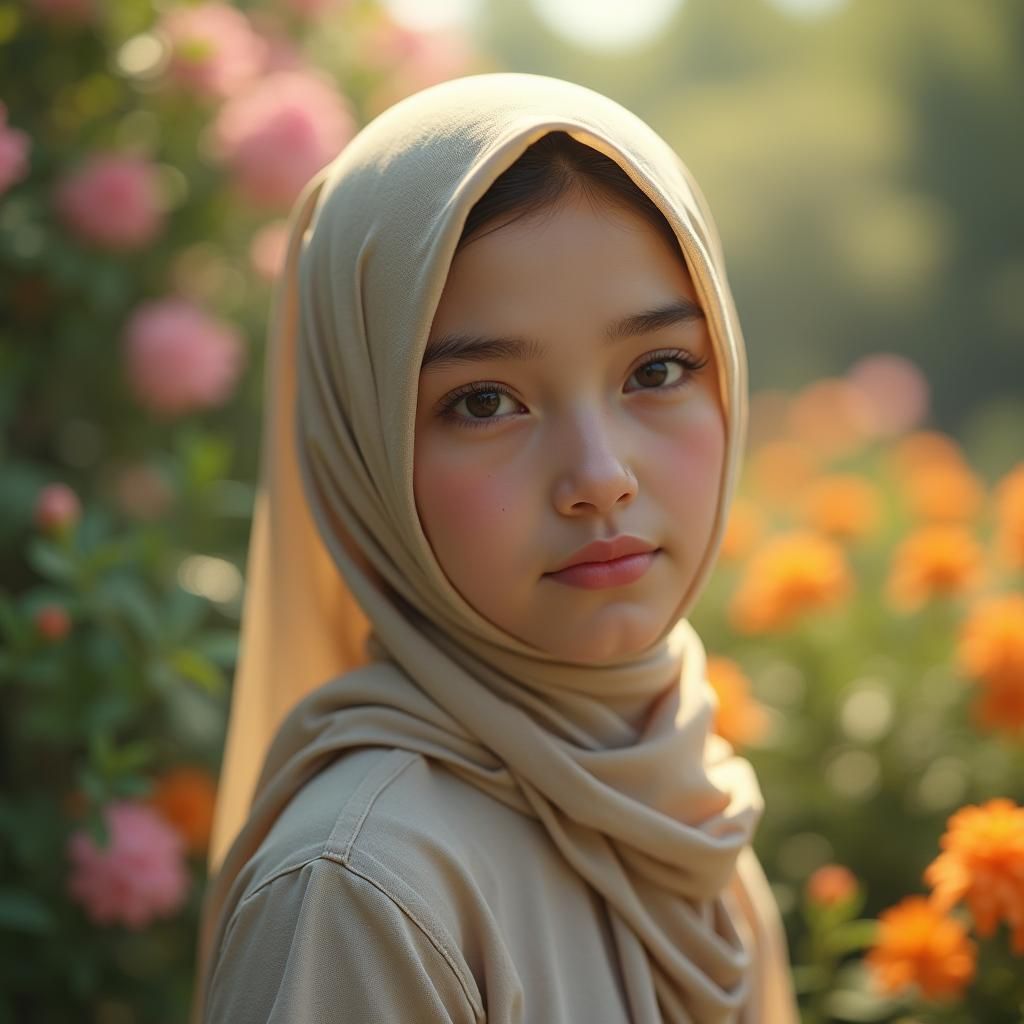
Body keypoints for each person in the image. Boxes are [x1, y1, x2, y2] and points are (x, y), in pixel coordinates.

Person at [189, 72, 799, 1023]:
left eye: (658, 369)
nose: (600, 476)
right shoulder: (364, 892)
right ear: (366, 447)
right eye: (484, 401)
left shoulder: (684, 807)